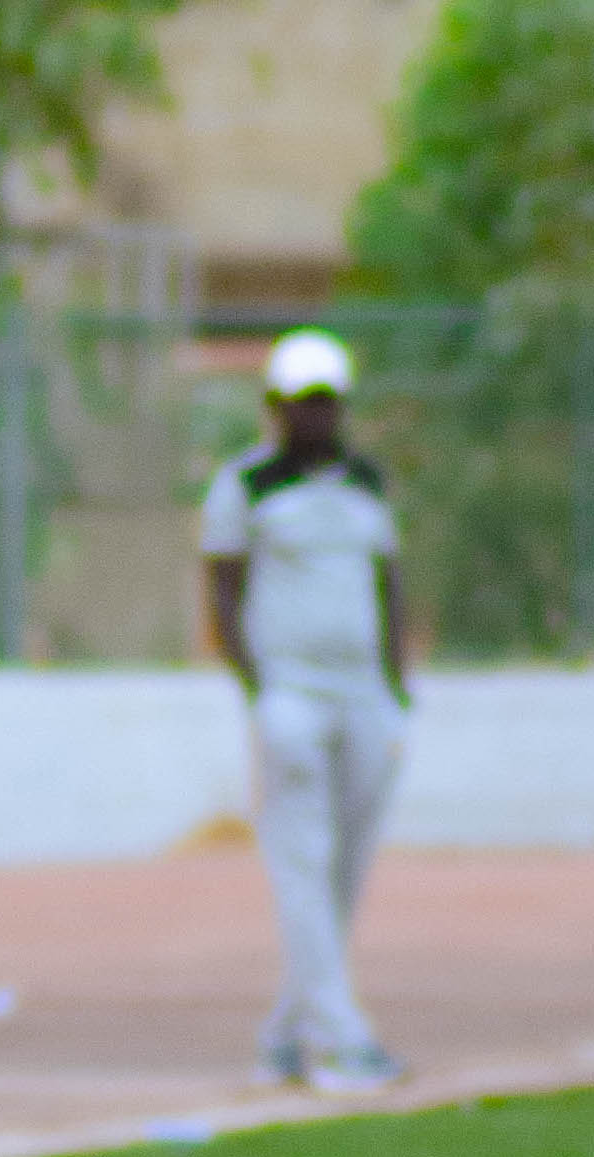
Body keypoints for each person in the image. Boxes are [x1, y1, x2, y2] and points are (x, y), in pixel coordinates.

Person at [202, 326, 409, 1094]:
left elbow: (389, 582)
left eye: (326, 403)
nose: (315, 418)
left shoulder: (367, 484)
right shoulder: (246, 487)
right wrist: (256, 685)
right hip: (292, 692)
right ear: (275, 407)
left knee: (345, 866)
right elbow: (222, 589)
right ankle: (343, 1041)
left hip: (363, 695)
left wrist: (396, 685)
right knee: (302, 862)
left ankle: (287, 1034)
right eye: (301, 403)